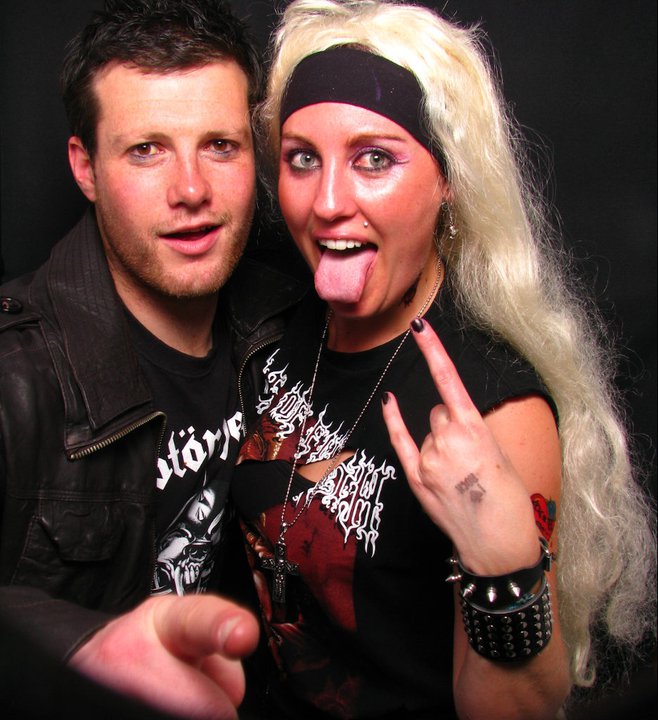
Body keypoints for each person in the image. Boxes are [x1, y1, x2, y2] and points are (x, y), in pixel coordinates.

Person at [231, 1, 656, 718]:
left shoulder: (499, 413)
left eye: (374, 159)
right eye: (303, 158)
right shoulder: (284, 324)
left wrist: (503, 565)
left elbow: (513, 710)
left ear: (448, 179)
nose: (327, 202)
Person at [0, 1, 307, 717]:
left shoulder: (287, 324)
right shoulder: (16, 377)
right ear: (86, 167)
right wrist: (79, 648)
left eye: (220, 146)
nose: (191, 190)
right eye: (146, 150)